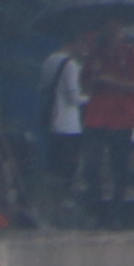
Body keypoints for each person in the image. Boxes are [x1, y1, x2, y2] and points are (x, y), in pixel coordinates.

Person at [87, 25, 134, 212]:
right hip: (97, 116)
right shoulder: (96, 54)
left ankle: (117, 211)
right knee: (92, 164)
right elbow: (85, 85)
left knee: (119, 165)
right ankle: (96, 208)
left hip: (122, 116)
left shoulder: (131, 55)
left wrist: (111, 81)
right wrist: (94, 73)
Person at [45, 25, 91, 215]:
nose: (85, 47)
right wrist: (91, 98)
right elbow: (74, 97)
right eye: (83, 42)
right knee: (68, 167)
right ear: (74, 42)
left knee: (55, 166)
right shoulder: (70, 64)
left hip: (52, 119)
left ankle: (52, 202)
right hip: (69, 124)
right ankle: (64, 205)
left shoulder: (49, 60)